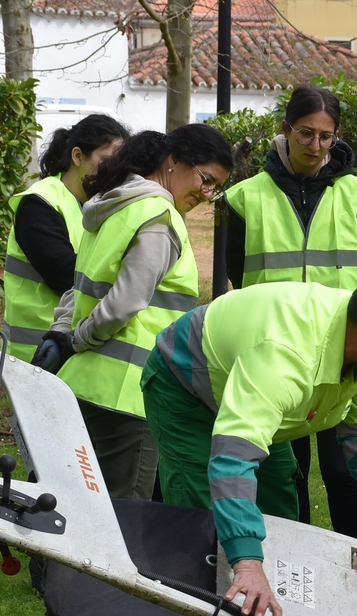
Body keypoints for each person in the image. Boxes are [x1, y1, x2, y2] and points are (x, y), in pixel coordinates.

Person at [140, 267, 357, 616]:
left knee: (280, 496)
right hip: (187, 386)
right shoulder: (285, 359)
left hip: (249, 389)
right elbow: (232, 462)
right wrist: (247, 562)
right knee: (203, 520)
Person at [33, 125, 234, 500]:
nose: (207, 195)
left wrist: (61, 335)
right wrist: (74, 339)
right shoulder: (159, 217)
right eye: (205, 180)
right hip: (129, 396)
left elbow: (78, 287)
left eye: (215, 188)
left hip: (83, 383)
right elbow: (125, 302)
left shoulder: (114, 204)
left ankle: (51, 563)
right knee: (121, 519)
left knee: (74, 504)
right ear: (173, 161)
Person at [224, 85, 357, 538]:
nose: (316, 147)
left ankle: (353, 554)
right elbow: (237, 274)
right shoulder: (244, 197)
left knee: (342, 469)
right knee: (286, 473)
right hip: (276, 353)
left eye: (326, 136)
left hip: (342, 352)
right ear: (285, 130)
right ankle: (296, 553)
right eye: (306, 134)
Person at [4, 114, 128, 361]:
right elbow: (63, 274)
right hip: (36, 349)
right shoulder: (40, 201)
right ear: (77, 156)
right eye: (105, 161)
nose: (112, 172)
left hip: (73, 344)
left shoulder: (99, 205)